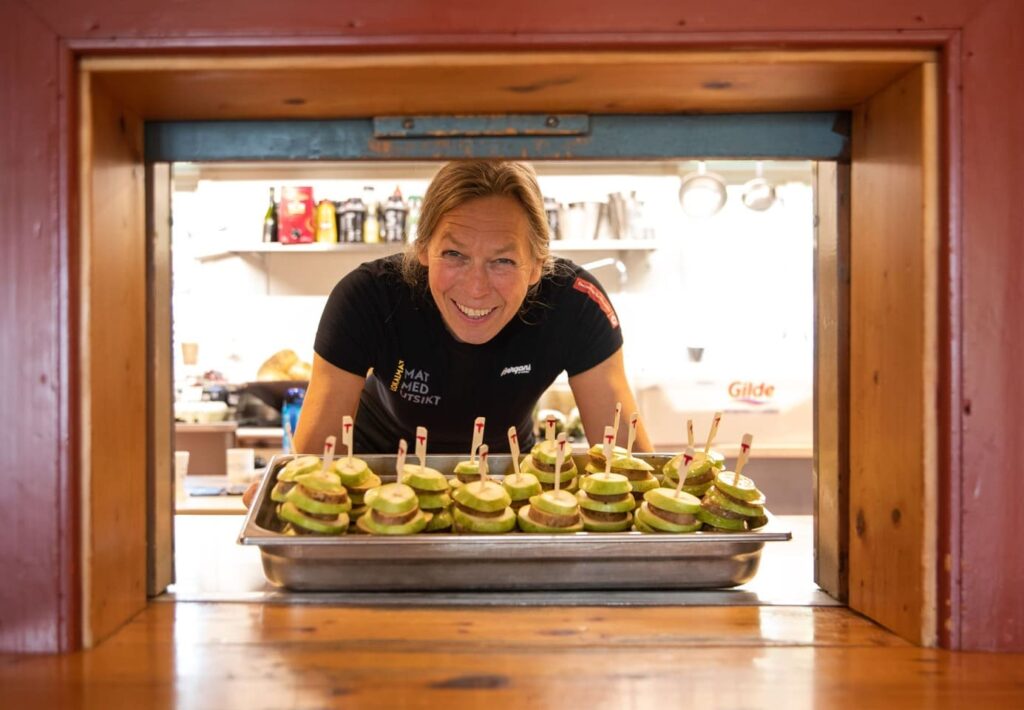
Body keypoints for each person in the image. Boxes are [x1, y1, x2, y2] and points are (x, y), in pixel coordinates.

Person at [309, 159, 652, 451]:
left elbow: (627, 467)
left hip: (510, 469)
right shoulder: (368, 296)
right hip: (379, 464)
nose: (476, 289)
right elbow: (310, 465)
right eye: (454, 254)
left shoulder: (575, 304)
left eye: (502, 261)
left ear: (536, 265)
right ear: (423, 249)